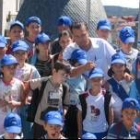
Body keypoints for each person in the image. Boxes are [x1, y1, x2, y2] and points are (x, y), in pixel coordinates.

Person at [25, 60, 71, 138]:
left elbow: (66, 105)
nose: (64, 78)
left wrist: (63, 113)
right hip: (41, 122)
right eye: (62, 74)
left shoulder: (65, 87)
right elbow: (27, 84)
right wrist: (25, 98)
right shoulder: (43, 82)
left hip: (56, 124)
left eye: (66, 76)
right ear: (54, 71)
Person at [11, 40, 40, 139]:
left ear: (27, 54)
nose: (20, 56)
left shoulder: (32, 69)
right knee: (12, 133)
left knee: (28, 134)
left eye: (23, 53)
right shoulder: (8, 68)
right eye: (17, 53)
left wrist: (32, 98)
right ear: (12, 54)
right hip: (11, 106)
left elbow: (39, 87)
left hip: (26, 108)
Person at [77, 68, 114, 139]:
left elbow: (111, 112)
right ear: (90, 80)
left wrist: (110, 129)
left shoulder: (107, 96)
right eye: (94, 79)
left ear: (103, 80)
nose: (96, 82)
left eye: (99, 79)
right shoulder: (83, 96)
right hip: (87, 131)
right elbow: (79, 114)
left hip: (102, 130)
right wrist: (80, 130)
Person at [64, 49, 87, 139]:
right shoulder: (66, 77)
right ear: (72, 64)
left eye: (83, 65)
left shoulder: (84, 80)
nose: (82, 67)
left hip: (78, 111)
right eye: (79, 65)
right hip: (66, 109)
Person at [0, 55, 24, 134]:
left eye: (14, 67)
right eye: (9, 67)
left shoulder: (19, 84)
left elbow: (23, 102)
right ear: (2, 69)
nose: (12, 70)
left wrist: (16, 103)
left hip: (13, 124)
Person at [105, 53, 131, 122]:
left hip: (130, 119)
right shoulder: (107, 84)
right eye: (115, 65)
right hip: (114, 120)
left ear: (125, 67)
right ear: (112, 68)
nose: (118, 68)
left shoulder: (130, 82)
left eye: (121, 65)